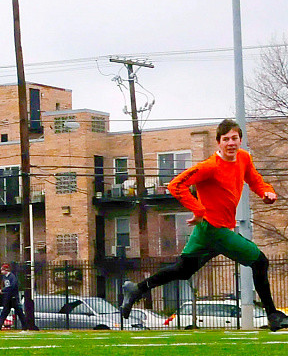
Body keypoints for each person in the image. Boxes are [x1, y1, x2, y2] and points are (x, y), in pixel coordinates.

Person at [120, 118, 288, 332]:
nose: (230, 143)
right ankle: (273, 315)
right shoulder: (209, 167)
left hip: (209, 230)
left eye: (234, 138)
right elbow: (175, 185)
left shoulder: (244, 158)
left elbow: (254, 179)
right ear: (218, 142)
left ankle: (136, 289)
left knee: (183, 270)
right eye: (225, 139)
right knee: (260, 262)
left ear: (240, 140)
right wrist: (198, 209)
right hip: (214, 229)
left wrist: (265, 192)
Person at [0, 263, 25, 331]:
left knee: (20, 313)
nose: (1, 272)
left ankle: (25, 327)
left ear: (6, 270)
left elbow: (13, 286)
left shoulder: (12, 276)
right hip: (8, 297)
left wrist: (3, 290)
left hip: (13, 298)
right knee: (4, 312)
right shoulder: (5, 277)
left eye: (2, 270)